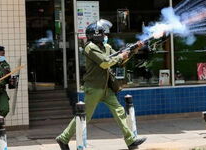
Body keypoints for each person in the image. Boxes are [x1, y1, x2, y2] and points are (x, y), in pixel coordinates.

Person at [56, 19, 146, 150]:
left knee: (120, 111)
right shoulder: (90, 47)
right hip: (94, 88)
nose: (105, 36)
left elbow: (119, 61)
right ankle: (63, 138)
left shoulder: (106, 47)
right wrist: (121, 56)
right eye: (103, 34)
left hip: (106, 88)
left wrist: (133, 50)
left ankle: (131, 141)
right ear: (96, 35)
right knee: (85, 116)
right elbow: (105, 63)